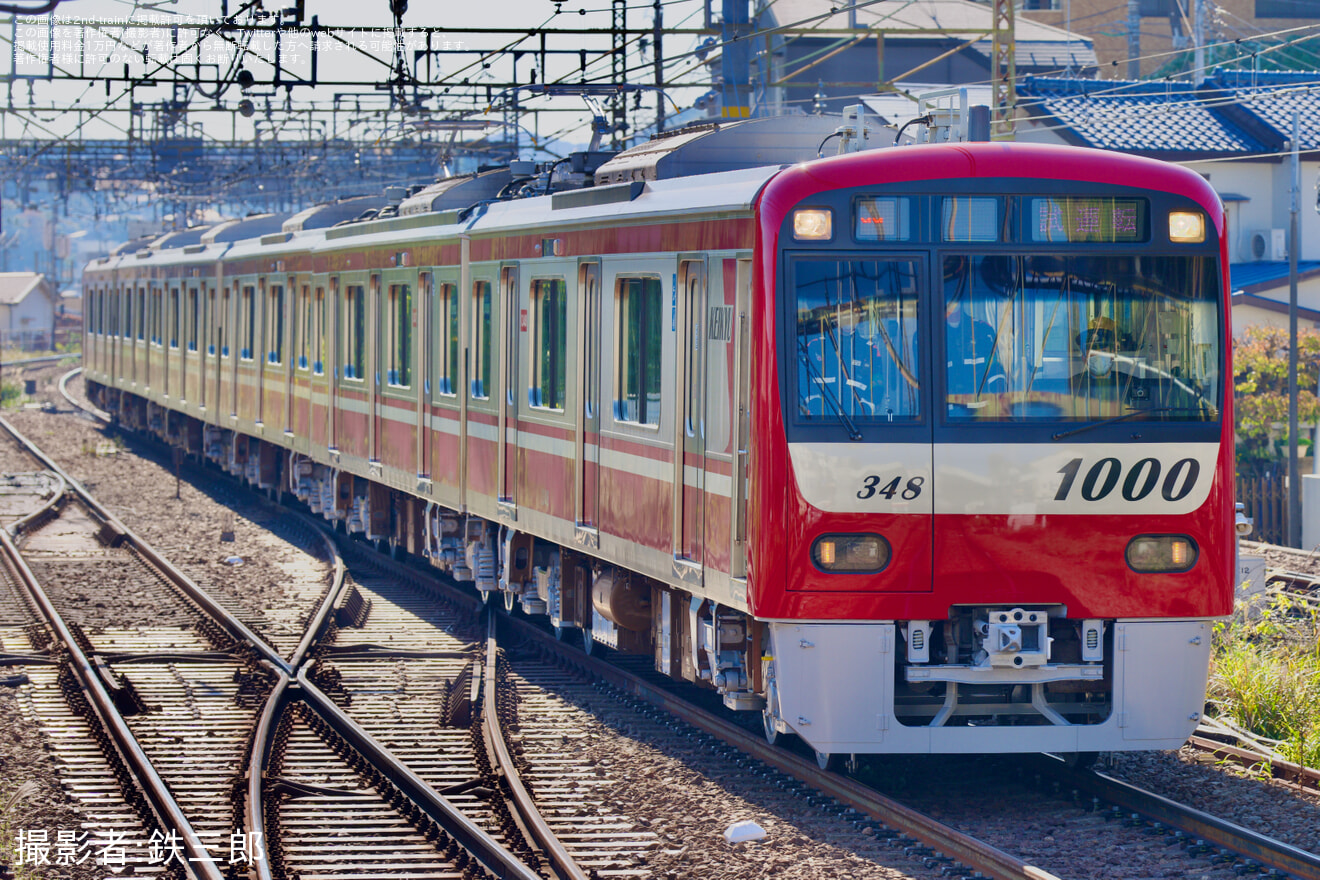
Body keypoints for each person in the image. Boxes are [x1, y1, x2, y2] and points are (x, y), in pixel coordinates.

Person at [945, 297, 1004, 398]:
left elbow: (995, 371)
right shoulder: (929, 335)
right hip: (943, 411)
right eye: (949, 295)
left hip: (978, 411)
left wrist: (1002, 402)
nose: (952, 301)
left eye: (956, 295)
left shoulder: (983, 331)